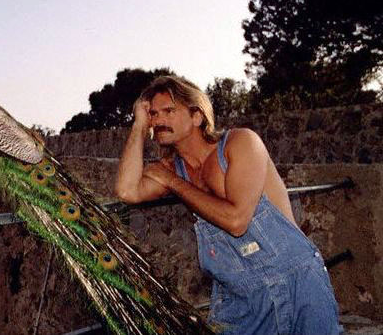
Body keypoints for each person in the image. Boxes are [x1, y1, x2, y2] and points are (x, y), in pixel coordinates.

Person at [115, 75, 341, 334]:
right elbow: (127, 190)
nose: (158, 120)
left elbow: (236, 221)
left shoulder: (240, 143)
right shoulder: (174, 169)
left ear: (197, 116)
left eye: (169, 111)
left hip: (297, 281)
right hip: (239, 297)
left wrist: (173, 183)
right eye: (154, 114)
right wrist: (138, 126)